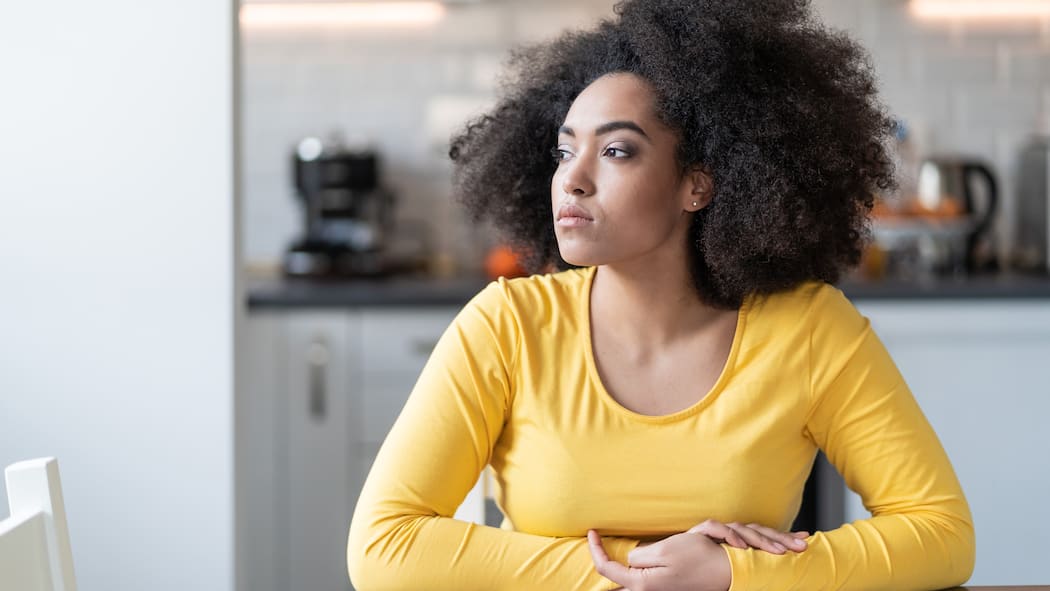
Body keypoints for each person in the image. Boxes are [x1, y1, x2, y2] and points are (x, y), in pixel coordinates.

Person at [347, 0, 975, 589]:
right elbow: (382, 546)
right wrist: (649, 571)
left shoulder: (808, 328)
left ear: (697, 186)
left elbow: (941, 532)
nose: (573, 180)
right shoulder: (506, 326)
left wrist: (732, 573)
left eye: (616, 151)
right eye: (565, 151)